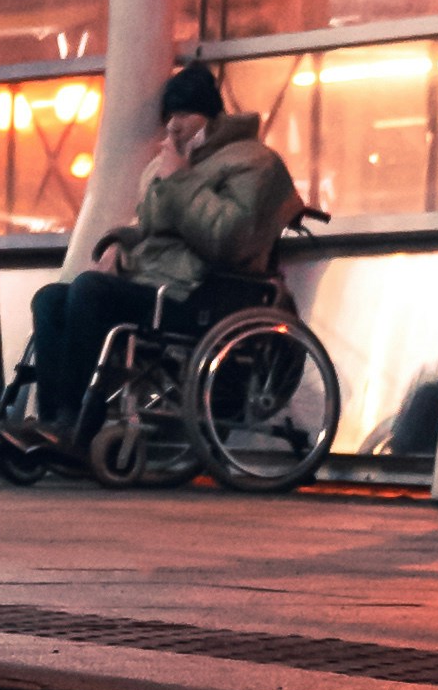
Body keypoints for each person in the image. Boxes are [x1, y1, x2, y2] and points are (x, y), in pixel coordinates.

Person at [18, 60, 303, 454]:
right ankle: (50, 420)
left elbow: (229, 238)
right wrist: (118, 243)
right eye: (169, 116)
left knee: (89, 292)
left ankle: (74, 422)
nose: (174, 125)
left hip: (201, 294)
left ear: (211, 115)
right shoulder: (168, 163)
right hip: (155, 282)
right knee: (50, 299)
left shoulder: (255, 163)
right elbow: (149, 228)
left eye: (184, 114)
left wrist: (180, 180)